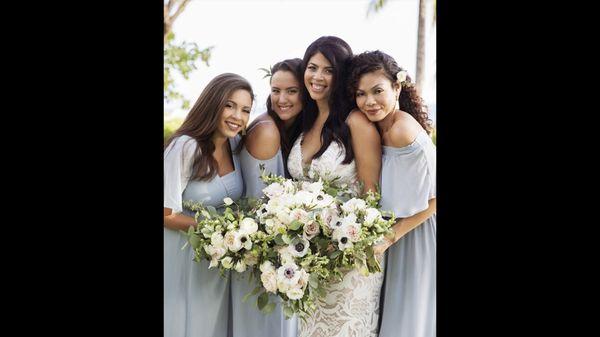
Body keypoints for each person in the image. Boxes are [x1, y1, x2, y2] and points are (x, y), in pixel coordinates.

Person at [286, 36, 383, 337]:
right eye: (312, 67)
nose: (317, 77)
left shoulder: (356, 122)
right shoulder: (306, 121)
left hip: (349, 259)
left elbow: (372, 197)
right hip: (307, 260)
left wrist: (341, 240)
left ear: (341, 75)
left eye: (328, 70)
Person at [348, 50, 437, 337]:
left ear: (397, 88)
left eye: (377, 91)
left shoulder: (401, 130)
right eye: (361, 94)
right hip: (397, 233)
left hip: (418, 233)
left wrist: (389, 237)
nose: (369, 102)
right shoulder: (379, 127)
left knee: (407, 322)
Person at [163, 73, 253, 337]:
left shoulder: (236, 147)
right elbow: (166, 213)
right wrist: (218, 230)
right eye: (230, 105)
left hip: (217, 260)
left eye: (245, 110)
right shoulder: (185, 146)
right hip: (182, 254)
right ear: (212, 103)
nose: (238, 115)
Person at [232, 58, 304, 337]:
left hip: (273, 256)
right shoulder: (266, 130)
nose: (281, 99)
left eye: (291, 91)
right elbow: (259, 205)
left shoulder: (286, 129)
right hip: (260, 257)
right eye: (276, 90)